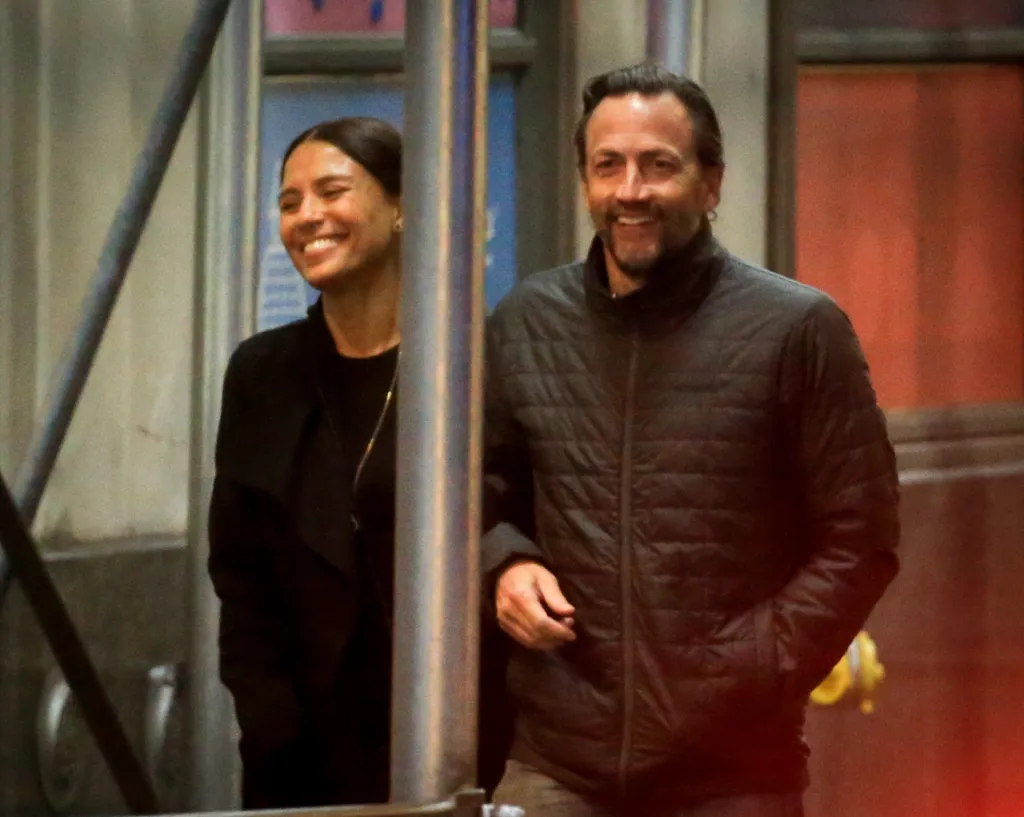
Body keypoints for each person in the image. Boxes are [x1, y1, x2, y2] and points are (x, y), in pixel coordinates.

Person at [482, 64, 900, 817]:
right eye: (608, 165)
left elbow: (860, 539)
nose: (630, 190)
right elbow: (476, 492)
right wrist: (502, 564)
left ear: (711, 184)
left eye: (659, 165)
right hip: (558, 756)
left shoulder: (796, 329)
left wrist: (752, 665)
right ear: (586, 180)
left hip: (732, 769)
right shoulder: (525, 321)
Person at [208, 117, 511, 809]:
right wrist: (267, 716)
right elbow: (238, 567)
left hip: (458, 747)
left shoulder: (478, 362)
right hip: (299, 754)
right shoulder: (262, 372)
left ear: (402, 205)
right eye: (289, 202)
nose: (307, 216)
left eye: (331, 190)